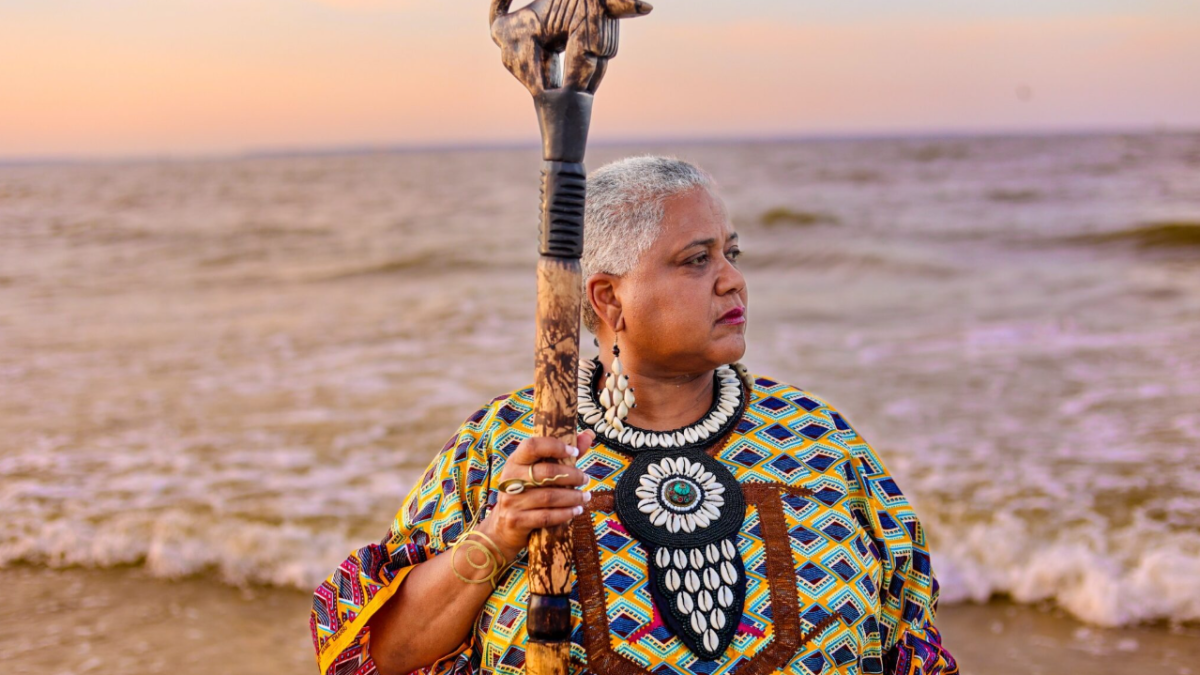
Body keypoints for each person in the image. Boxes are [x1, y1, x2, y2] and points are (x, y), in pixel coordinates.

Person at [309, 156, 958, 675]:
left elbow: (912, 639)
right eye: (697, 259)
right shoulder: (507, 443)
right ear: (608, 297)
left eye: (733, 253)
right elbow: (384, 654)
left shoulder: (819, 439)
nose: (732, 280)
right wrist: (501, 532)